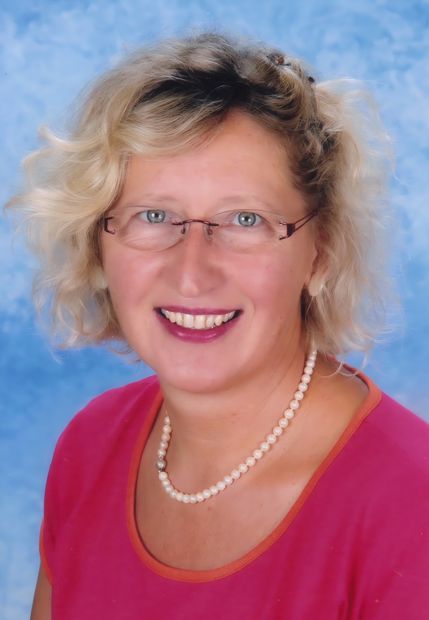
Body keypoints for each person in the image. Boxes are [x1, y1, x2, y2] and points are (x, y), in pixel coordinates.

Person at [8, 31, 428, 620]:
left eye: (245, 220)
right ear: (96, 243)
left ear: (321, 253)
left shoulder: (412, 505)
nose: (191, 274)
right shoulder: (90, 446)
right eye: (155, 215)